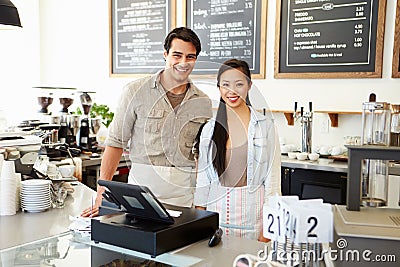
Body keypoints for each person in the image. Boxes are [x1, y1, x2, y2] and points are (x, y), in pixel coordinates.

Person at [81, 27, 212, 217]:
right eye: (177, 55)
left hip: (183, 198)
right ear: (165, 55)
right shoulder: (135, 91)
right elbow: (116, 143)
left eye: (190, 57)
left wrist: (201, 203)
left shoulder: (203, 102)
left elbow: (202, 157)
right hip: (140, 197)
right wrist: (102, 192)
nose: (183, 63)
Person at [193, 59, 281, 241]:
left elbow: (272, 184)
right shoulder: (210, 129)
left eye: (239, 84)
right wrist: (199, 224)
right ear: (219, 88)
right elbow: (203, 182)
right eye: (226, 85)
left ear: (249, 85)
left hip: (253, 222)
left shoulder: (265, 127)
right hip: (215, 220)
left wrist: (266, 234)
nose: (232, 91)